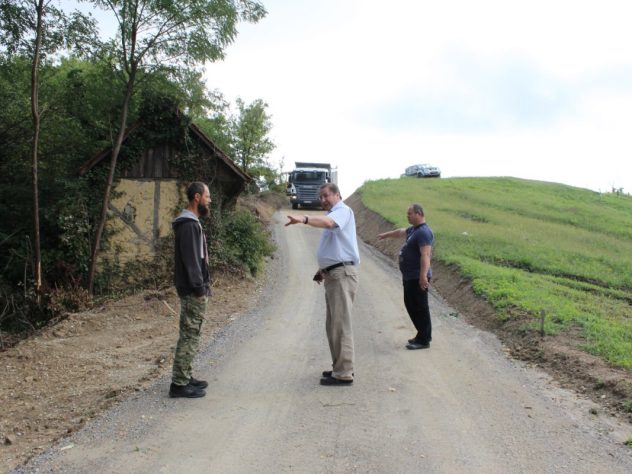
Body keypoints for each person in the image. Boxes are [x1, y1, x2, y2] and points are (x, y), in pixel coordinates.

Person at [286, 183, 360, 386]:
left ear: (337, 195)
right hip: (334, 274)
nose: (323, 199)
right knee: (333, 326)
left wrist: (304, 218)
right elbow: (335, 247)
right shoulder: (334, 214)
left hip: (342, 275)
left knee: (340, 325)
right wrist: (323, 270)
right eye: (321, 197)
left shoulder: (342, 211)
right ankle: (339, 367)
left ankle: (344, 372)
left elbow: (328, 223)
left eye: (326, 195)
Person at [169, 182, 212, 398]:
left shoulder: (192, 223)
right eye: (207, 196)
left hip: (193, 288)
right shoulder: (188, 225)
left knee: (192, 334)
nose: (209, 200)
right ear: (197, 197)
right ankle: (179, 384)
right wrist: (199, 288)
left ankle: (185, 376)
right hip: (192, 290)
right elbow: (192, 261)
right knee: (189, 335)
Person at [378, 204, 434, 350]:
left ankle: (424, 339)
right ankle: (420, 334)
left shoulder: (424, 232)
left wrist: (423, 276)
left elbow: (425, 255)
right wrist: (386, 235)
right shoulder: (413, 230)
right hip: (410, 276)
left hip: (417, 277)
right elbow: (399, 232)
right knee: (411, 305)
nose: (407, 216)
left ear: (419, 213)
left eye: (410, 213)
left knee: (420, 307)